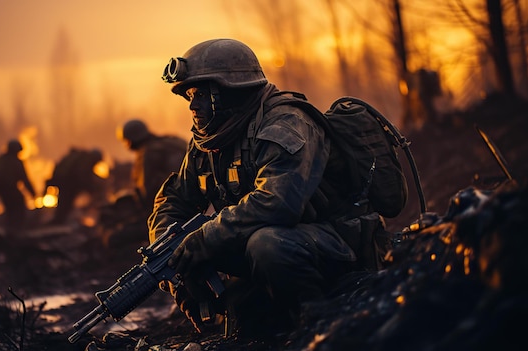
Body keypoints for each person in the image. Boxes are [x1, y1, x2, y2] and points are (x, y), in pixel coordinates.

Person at [148, 38, 388, 339]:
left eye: (198, 93)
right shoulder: (209, 142)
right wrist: (171, 257)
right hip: (282, 247)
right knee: (244, 316)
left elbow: (278, 203)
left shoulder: (286, 123)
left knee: (268, 244)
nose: (192, 105)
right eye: (188, 96)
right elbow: (173, 200)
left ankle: (320, 328)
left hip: (338, 243)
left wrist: (204, 239)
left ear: (226, 90)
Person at [98, 120, 187, 247]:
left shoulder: (148, 153)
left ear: (130, 140)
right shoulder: (173, 142)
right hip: (192, 206)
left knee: (113, 238)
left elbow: (147, 193)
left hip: (169, 215)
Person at [0, 139, 36, 232]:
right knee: (18, 207)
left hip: (1, 190)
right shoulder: (15, 162)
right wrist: (33, 193)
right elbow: (24, 179)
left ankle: (10, 230)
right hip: (10, 189)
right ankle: (16, 231)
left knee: (10, 210)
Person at [46, 147, 106, 225]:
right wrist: (91, 187)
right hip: (69, 182)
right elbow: (83, 176)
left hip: (64, 180)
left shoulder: (80, 158)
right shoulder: (87, 160)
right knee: (65, 202)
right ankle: (58, 222)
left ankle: (59, 220)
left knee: (64, 202)